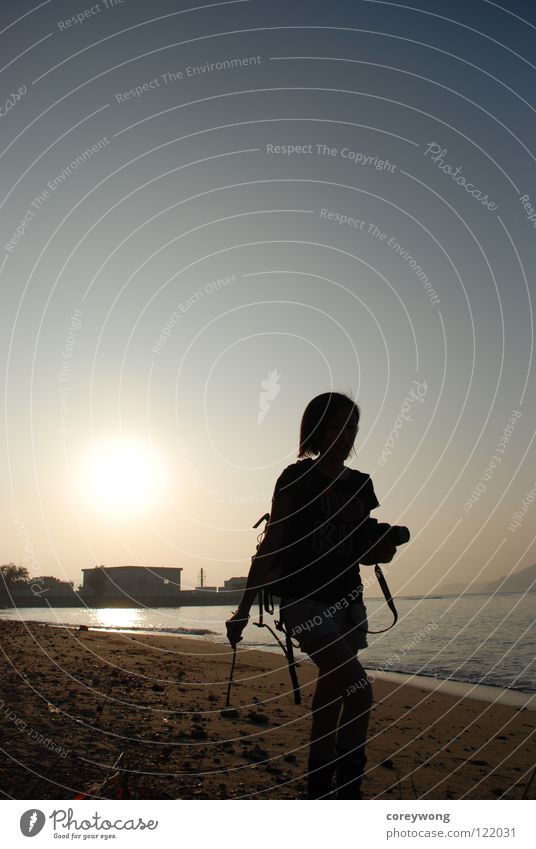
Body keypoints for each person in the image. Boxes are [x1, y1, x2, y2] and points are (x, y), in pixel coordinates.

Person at [226, 392, 398, 799]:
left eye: (352, 426)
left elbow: (360, 545)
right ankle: (347, 794)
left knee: (333, 694)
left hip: (349, 603)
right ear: (317, 429)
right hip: (306, 602)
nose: (345, 435)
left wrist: (381, 549)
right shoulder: (295, 477)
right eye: (337, 426)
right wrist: (242, 611)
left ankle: (318, 790)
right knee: (359, 690)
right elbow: (272, 544)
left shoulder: (361, 484)